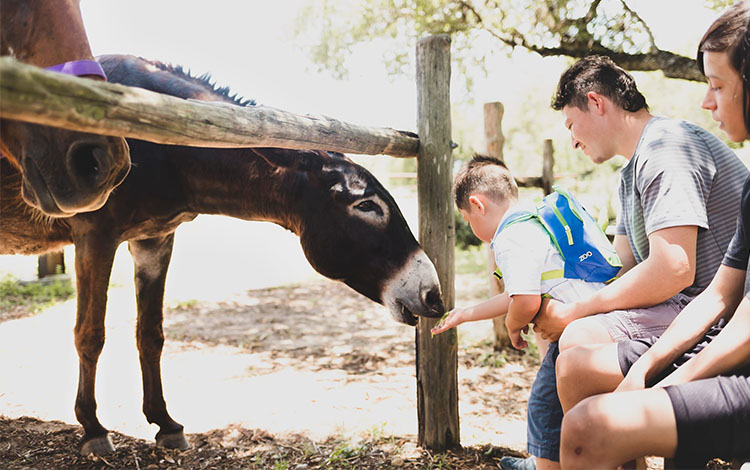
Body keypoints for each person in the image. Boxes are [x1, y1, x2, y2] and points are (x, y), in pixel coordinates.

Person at [501, 53, 750, 470]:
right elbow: (623, 266)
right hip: (682, 305)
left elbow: (673, 268)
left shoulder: (667, 147)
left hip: (713, 314)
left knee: (579, 336)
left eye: (571, 124)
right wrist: (551, 295)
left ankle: (578, 453)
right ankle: (585, 455)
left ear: (597, 103)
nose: (573, 140)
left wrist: (576, 311)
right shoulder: (628, 175)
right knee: (574, 336)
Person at [433, 154, 614, 470]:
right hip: (599, 325)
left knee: (544, 408)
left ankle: (543, 465)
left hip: (577, 333)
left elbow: (525, 303)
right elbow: (514, 294)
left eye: (466, 219)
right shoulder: (532, 222)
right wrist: (467, 313)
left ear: (478, 205)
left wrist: (513, 326)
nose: (471, 227)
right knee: (574, 407)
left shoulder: (509, 238)